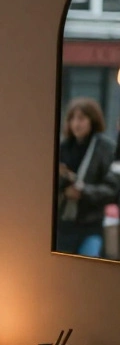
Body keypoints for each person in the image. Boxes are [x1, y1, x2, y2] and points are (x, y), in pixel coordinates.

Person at [56, 97, 119, 258]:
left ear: (92, 120)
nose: (76, 123)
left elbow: (112, 189)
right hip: (63, 224)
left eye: (81, 118)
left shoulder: (105, 148)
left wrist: (82, 191)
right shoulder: (64, 147)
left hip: (91, 223)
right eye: (72, 118)